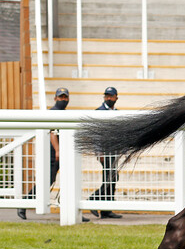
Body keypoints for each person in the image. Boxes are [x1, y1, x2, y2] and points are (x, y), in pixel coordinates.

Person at [18, 87, 88, 221]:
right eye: (61, 97)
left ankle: (73, 211)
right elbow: (52, 132)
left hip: (64, 152)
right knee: (48, 180)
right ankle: (24, 204)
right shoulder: (53, 112)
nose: (63, 99)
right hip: (54, 153)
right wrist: (57, 150)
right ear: (55, 98)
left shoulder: (65, 113)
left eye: (65, 97)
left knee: (69, 180)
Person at [89, 87, 122, 219]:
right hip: (105, 151)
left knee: (112, 179)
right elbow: (96, 134)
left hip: (114, 151)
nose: (108, 98)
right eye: (106, 96)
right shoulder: (99, 112)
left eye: (111, 96)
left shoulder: (118, 113)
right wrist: (99, 152)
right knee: (110, 178)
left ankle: (106, 209)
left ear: (116, 98)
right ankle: (93, 199)